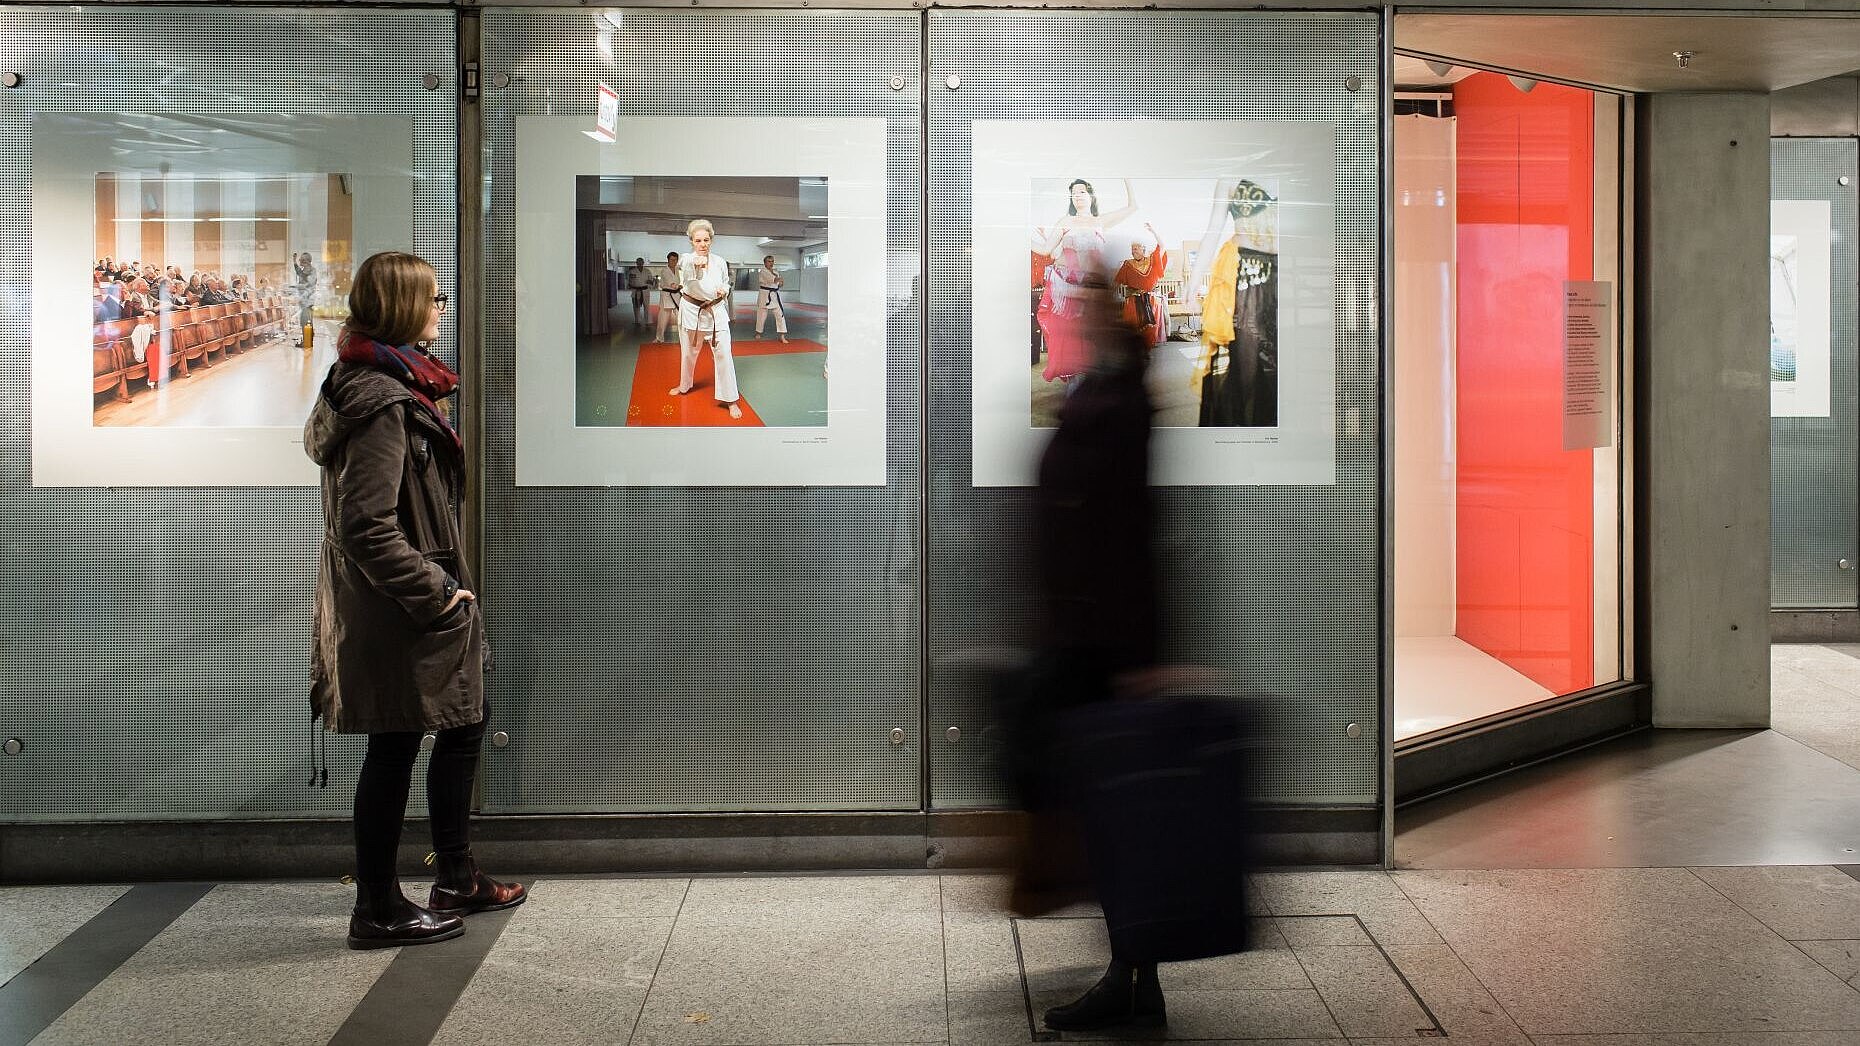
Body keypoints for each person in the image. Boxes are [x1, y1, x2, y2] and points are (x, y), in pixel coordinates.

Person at [304, 251, 525, 950]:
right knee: (395, 745)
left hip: (405, 602)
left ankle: (454, 874)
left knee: (463, 719)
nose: (441, 310)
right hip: (400, 607)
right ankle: (376, 907)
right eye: (432, 300)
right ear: (402, 309)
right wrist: (436, 594)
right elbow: (365, 524)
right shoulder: (381, 402)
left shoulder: (390, 385)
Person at [1016, 281, 1166, 1032]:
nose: (1070, 318)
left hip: (1100, 647)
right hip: (1088, 638)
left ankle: (1131, 977)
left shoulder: (1118, 406)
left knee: (1113, 818)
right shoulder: (1109, 396)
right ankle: (1133, 974)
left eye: (1084, 309)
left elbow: (1128, 540)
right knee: (1109, 815)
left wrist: (1142, 655)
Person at [1190, 180, 1279, 427]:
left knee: (1282, 365)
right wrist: (1194, 281)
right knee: (1246, 363)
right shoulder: (1229, 179)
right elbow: (1213, 231)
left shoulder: (1292, 167)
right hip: (1248, 277)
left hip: (1286, 276)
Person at [1035, 179, 1138, 383]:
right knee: (1072, 343)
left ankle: (1095, 392)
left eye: (1082, 191)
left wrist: (1126, 176)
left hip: (1092, 289)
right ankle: (1077, 392)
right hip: (1066, 287)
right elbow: (1047, 250)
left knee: (1093, 342)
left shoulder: (1100, 221)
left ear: (1091, 196)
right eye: (1074, 192)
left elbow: (1133, 206)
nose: (1078, 195)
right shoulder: (1065, 221)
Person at [669, 220, 742, 419]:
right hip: (692, 311)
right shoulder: (685, 260)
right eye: (698, 240)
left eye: (706, 240)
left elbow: (726, 283)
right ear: (692, 241)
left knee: (725, 354)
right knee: (688, 353)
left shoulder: (719, 261)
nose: (703, 244)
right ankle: (685, 385)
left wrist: (723, 290)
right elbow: (686, 271)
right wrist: (695, 264)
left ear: (711, 240)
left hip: (716, 311)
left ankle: (730, 399)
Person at [1115, 223, 1169, 347]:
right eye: (1132, 249)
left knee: (1149, 329)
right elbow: (1117, 281)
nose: (1133, 251)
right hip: (1133, 299)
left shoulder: (1152, 260)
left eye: (1136, 248)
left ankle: (1146, 350)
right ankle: (1135, 350)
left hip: (1151, 300)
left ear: (1143, 249)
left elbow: (1162, 245)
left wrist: (1154, 231)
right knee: (1132, 325)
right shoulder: (1127, 264)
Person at [754, 255, 790, 343]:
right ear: (765, 263)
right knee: (761, 316)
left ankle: (782, 336)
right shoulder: (763, 271)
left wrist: (780, 281)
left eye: (772, 261)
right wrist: (779, 279)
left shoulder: (776, 272)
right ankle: (758, 332)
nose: (771, 263)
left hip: (775, 296)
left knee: (780, 315)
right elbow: (774, 280)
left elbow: (780, 284)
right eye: (769, 261)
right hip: (764, 296)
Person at [653, 251, 683, 343]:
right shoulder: (665, 271)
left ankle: (683, 339)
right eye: (672, 260)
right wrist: (680, 286)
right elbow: (673, 284)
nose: (673, 262)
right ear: (668, 260)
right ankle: (659, 338)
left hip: (677, 296)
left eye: (675, 260)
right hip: (667, 296)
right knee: (663, 319)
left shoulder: (678, 269)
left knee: (681, 318)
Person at [294, 252, 318, 345]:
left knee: (305, 321)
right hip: (305, 302)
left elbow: (309, 285)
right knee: (306, 321)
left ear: (307, 261)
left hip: (308, 302)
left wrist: (297, 286)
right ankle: (308, 340)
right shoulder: (305, 270)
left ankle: (306, 342)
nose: (300, 261)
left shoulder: (312, 271)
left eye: (302, 260)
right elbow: (299, 272)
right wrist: (294, 261)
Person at [627, 257, 652, 328]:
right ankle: (637, 320)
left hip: (645, 291)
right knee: (636, 307)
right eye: (638, 262)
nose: (640, 264)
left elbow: (651, 280)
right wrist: (632, 286)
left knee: (646, 306)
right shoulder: (632, 271)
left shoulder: (647, 271)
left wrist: (649, 283)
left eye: (641, 262)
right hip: (636, 291)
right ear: (636, 263)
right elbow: (630, 282)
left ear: (643, 263)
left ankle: (647, 321)